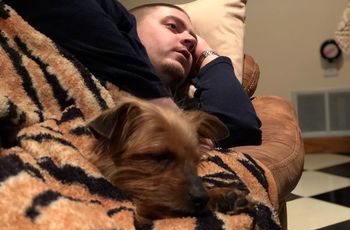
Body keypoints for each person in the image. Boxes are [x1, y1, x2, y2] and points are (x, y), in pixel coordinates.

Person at [4, 0, 261, 147]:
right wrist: (157, 98)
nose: (188, 40)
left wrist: (207, 56)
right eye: (173, 26)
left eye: (193, 41)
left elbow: (241, 125)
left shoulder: (183, 107)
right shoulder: (101, 27)